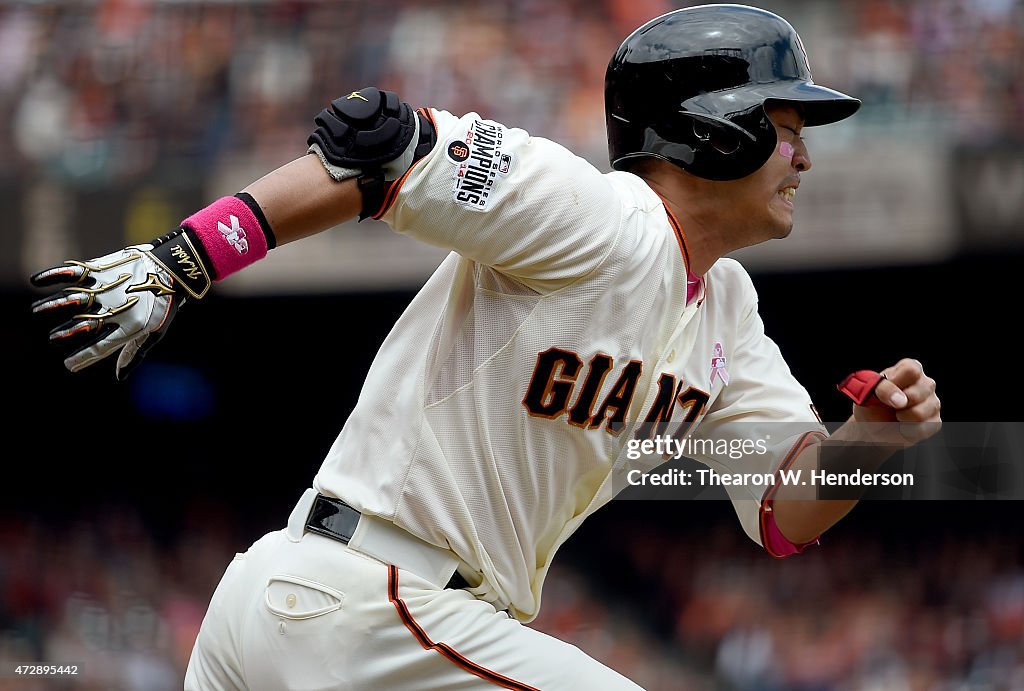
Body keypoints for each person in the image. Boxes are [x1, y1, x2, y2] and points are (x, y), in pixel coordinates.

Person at [29, 5, 941, 690]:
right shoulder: (598, 216)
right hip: (363, 603)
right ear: (718, 128)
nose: (804, 158)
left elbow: (783, 508)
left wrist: (872, 442)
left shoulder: (726, 311)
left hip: (343, 615)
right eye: (786, 130)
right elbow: (379, 146)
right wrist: (182, 260)